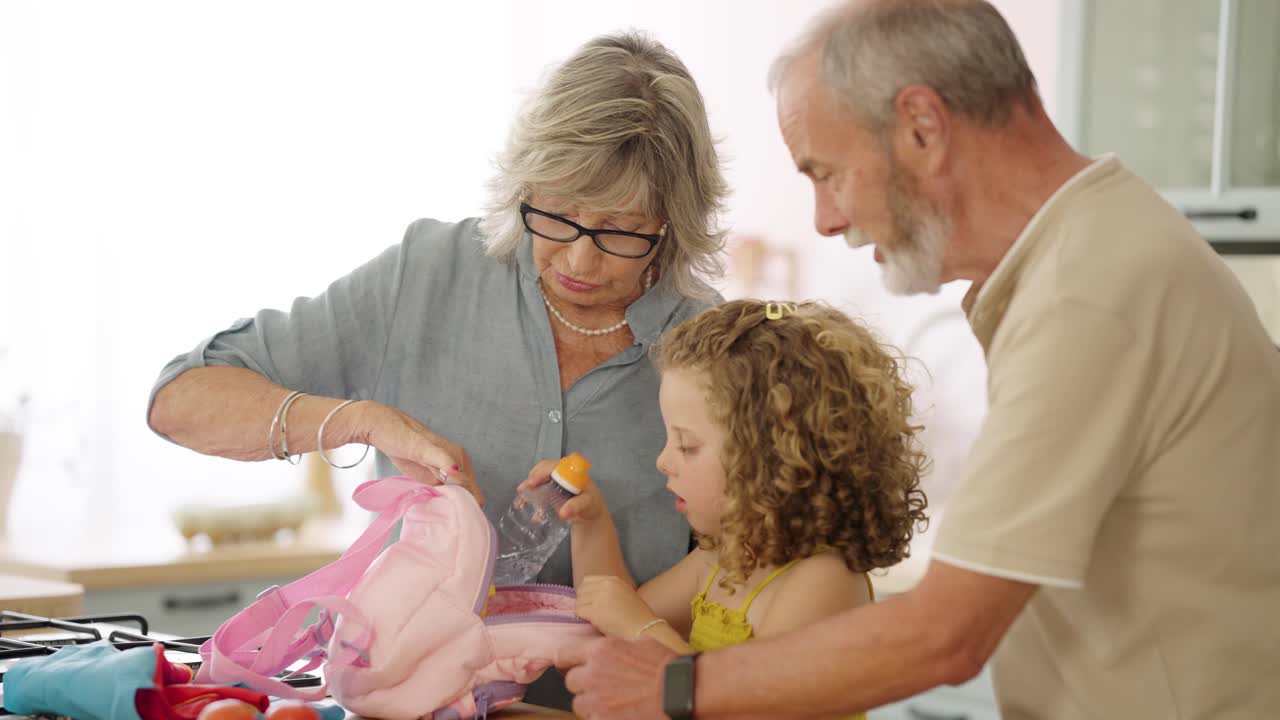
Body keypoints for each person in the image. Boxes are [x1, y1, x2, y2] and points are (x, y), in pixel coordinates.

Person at [558, 2, 1280, 719]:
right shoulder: (1085, 259)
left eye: (827, 173)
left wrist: (675, 687)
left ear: (922, 128)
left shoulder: (1088, 297)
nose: (825, 219)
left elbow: (948, 634)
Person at [146, 31, 728, 708]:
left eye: (620, 231)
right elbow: (180, 398)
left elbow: (748, 583)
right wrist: (362, 422)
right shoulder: (431, 275)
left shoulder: (714, 348)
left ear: (673, 225)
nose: (578, 260)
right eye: (557, 215)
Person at [529, 299, 927, 719]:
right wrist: (590, 522)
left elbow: (737, 706)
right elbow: (610, 613)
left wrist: (638, 628)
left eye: (687, 445)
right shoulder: (723, 555)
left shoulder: (822, 581)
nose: (664, 461)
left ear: (773, 457)